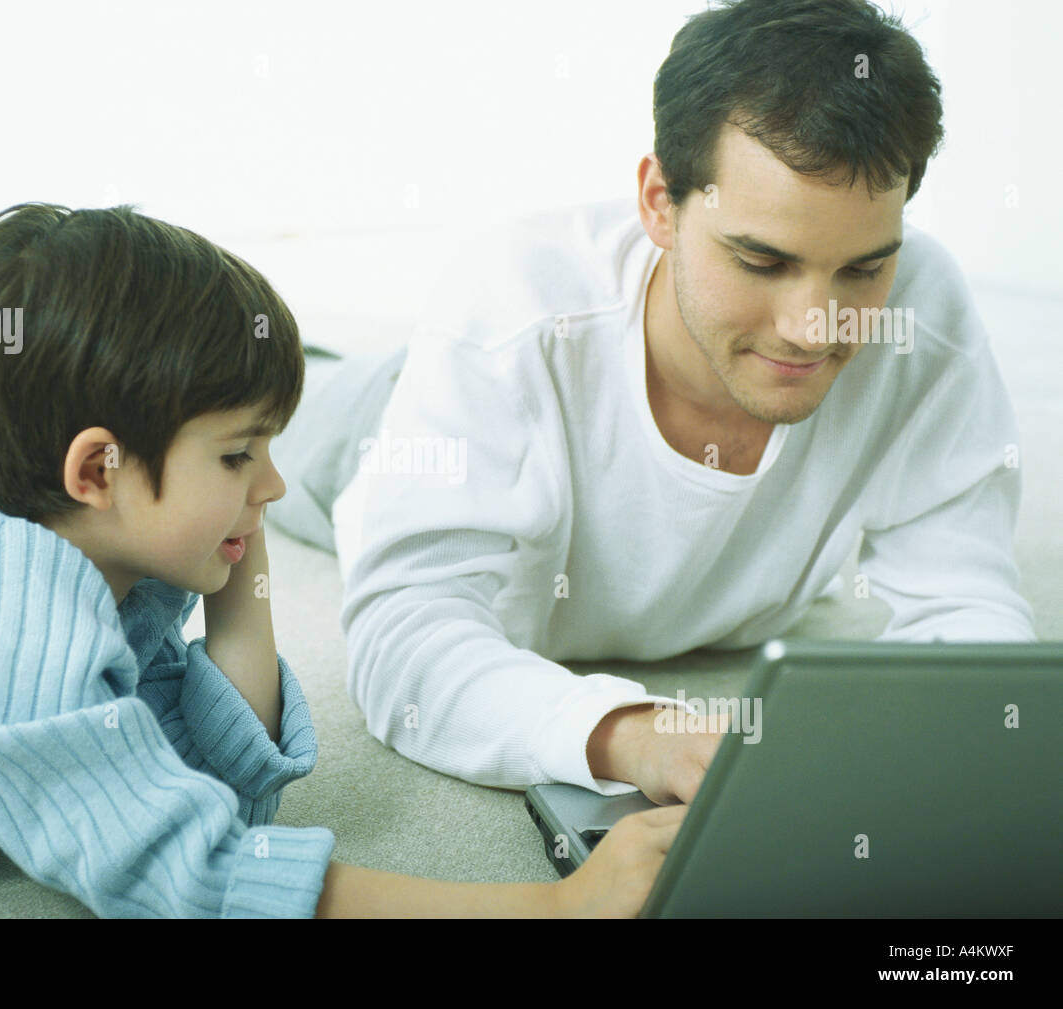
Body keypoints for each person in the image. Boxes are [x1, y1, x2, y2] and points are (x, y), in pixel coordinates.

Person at [0, 201, 685, 918]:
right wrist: (551, 904)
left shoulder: (101, 567)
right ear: (98, 469)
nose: (276, 485)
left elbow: (216, 785)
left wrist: (235, 527)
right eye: (241, 453)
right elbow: (196, 881)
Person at [267, 0, 1037, 803]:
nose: (815, 328)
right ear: (658, 203)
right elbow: (404, 643)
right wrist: (631, 735)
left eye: (861, 269)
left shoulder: (921, 313)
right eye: (761, 261)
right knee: (251, 413)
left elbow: (966, 606)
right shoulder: (509, 312)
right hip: (380, 418)